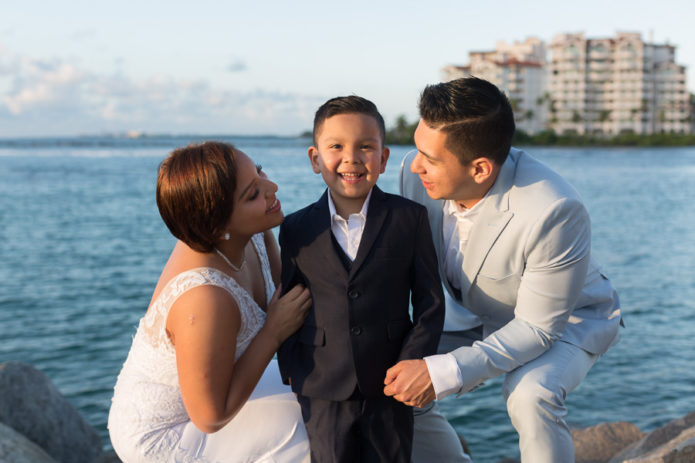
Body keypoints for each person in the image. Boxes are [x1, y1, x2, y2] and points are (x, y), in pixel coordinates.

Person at [384, 77, 622, 463]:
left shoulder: (553, 210)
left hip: (565, 321)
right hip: (475, 316)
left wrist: (443, 371)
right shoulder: (413, 173)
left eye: (430, 159)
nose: (415, 165)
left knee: (532, 396)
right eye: (417, 149)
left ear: (479, 169)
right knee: (388, 372)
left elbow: (537, 328)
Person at [108, 141, 313, 462]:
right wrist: (272, 332)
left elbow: (286, 294)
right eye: (253, 194)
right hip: (168, 430)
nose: (272, 187)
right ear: (218, 225)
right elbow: (209, 415)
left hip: (216, 387)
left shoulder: (252, 231)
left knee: (326, 391)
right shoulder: (204, 299)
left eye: (259, 171)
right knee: (301, 427)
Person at [277, 96, 445, 462]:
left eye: (366, 147)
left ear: (383, 159)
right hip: (321, 385)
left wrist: (413, 362)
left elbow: (431, 301)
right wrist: (291, 367)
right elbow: (289, 301)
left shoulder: (409, 218)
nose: (351, 158)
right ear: (315, 158)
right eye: (336, 146)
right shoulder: (295, 228)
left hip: (390, 384)